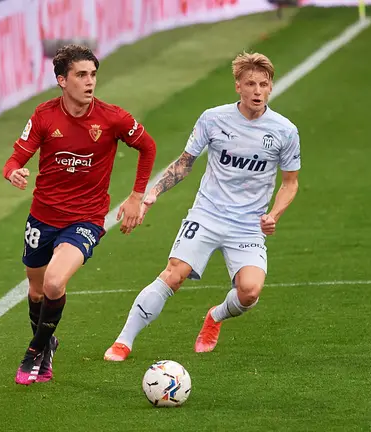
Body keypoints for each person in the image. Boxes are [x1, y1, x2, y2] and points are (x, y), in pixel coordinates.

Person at [103, 52, 300, 361]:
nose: (257, 91)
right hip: (207, 214)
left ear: (271, 87)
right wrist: (152, 193)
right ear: (238, 85)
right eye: (250, 83)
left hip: (248, 224)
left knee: (249, 291)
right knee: (174, 273)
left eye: (263, 84)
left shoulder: (284, 131)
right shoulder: (213, 119)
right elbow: (184, 164)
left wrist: (274, 215)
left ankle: (215, 317)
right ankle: (123, 341)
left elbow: (290, 183)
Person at [3, 45, 157, 384]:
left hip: (85, 218)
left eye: (93, 75)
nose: (90, 82)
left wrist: (135, 196)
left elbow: (148, 147)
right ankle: (48, 342)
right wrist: (12, 172)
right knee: (37, 289)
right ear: (62, 80)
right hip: (42, 216)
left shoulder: (112, 117)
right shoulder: (44, 116)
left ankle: (35, 352)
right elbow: (16, 158)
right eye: (81, 75)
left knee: (55, 282)